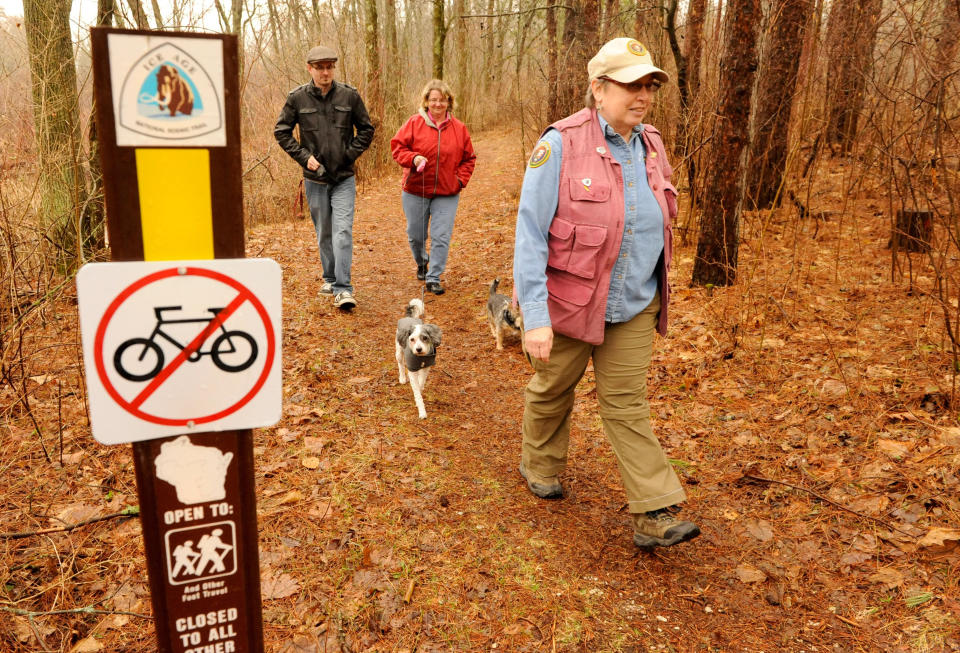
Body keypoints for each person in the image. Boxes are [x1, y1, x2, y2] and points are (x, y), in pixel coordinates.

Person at [513, 38, 699, 550]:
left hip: (635, 303)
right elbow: (530, 232)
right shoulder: (560, 144)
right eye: (630, 85)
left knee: (626, 404)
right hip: (569, 303)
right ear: (598, 88)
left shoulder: (652, 144)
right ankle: (541, 461)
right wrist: (534, 316)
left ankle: (654, 511)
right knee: (553, 390)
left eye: (648, 86)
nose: (642, 96)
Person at [275, 45, 375, 310]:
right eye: (320, 67)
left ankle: (344, 288)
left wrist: (348, 154)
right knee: (324, 234)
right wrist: (304, 157)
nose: (325, 72)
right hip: (314, 179)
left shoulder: (349, 96)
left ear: (334, 68)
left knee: (342, 232)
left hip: (343, 178)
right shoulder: (297, 98)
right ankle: (330, 278)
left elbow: (366, 130)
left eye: (329, 66)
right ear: (310, 69)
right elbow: (281, 132)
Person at [390, 79, 476, 295]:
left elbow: (469, 159)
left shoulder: (459, 129)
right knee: (415, 234)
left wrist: (459, 180)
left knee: (441, 235)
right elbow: (397, 148)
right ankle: (422, 262)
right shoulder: (413, 123)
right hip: (415, 190)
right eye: (433, 100)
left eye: (442, 100)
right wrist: (413, 158)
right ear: (426, 101)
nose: (438, 104)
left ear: (449, 102)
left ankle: (434, 277)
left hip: (447, 192)